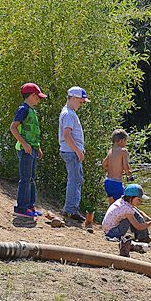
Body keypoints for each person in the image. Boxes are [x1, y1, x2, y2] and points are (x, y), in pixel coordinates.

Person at [9, 82, 47, 218]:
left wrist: (38, 147)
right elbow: (13, 128)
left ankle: (30, 207)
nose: (39, 99)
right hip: (25, 150)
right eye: (37, 97)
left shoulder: (32, 110)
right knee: (25, 179)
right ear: (31, 95)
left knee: (31, 179)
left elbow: (33, 132)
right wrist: (24, 144)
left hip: (33, 150)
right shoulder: (23, 109)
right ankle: (21, 208)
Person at [59, 86, 90, 222]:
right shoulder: (69, 114)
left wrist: (79, 148)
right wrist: (78, 151)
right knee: (75, 180)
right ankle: (71, 210)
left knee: (76, 179)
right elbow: (67, 135)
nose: (81, 104)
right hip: (72, 152)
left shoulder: (69, 112)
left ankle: (71, 209)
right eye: (81, 101)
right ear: (73, 98)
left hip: (72, 151)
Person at [102, 128, 134, 206]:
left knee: (112, 205)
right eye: (126, 141)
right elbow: (126, 167)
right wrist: (129, 175)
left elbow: (104, 164)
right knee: (124, 204)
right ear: (122, 141)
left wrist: (112, 169)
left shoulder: (110, 151)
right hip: (116, 183)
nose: (125, 143)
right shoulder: (123, 151)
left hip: (107, 182)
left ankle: (110, 218)